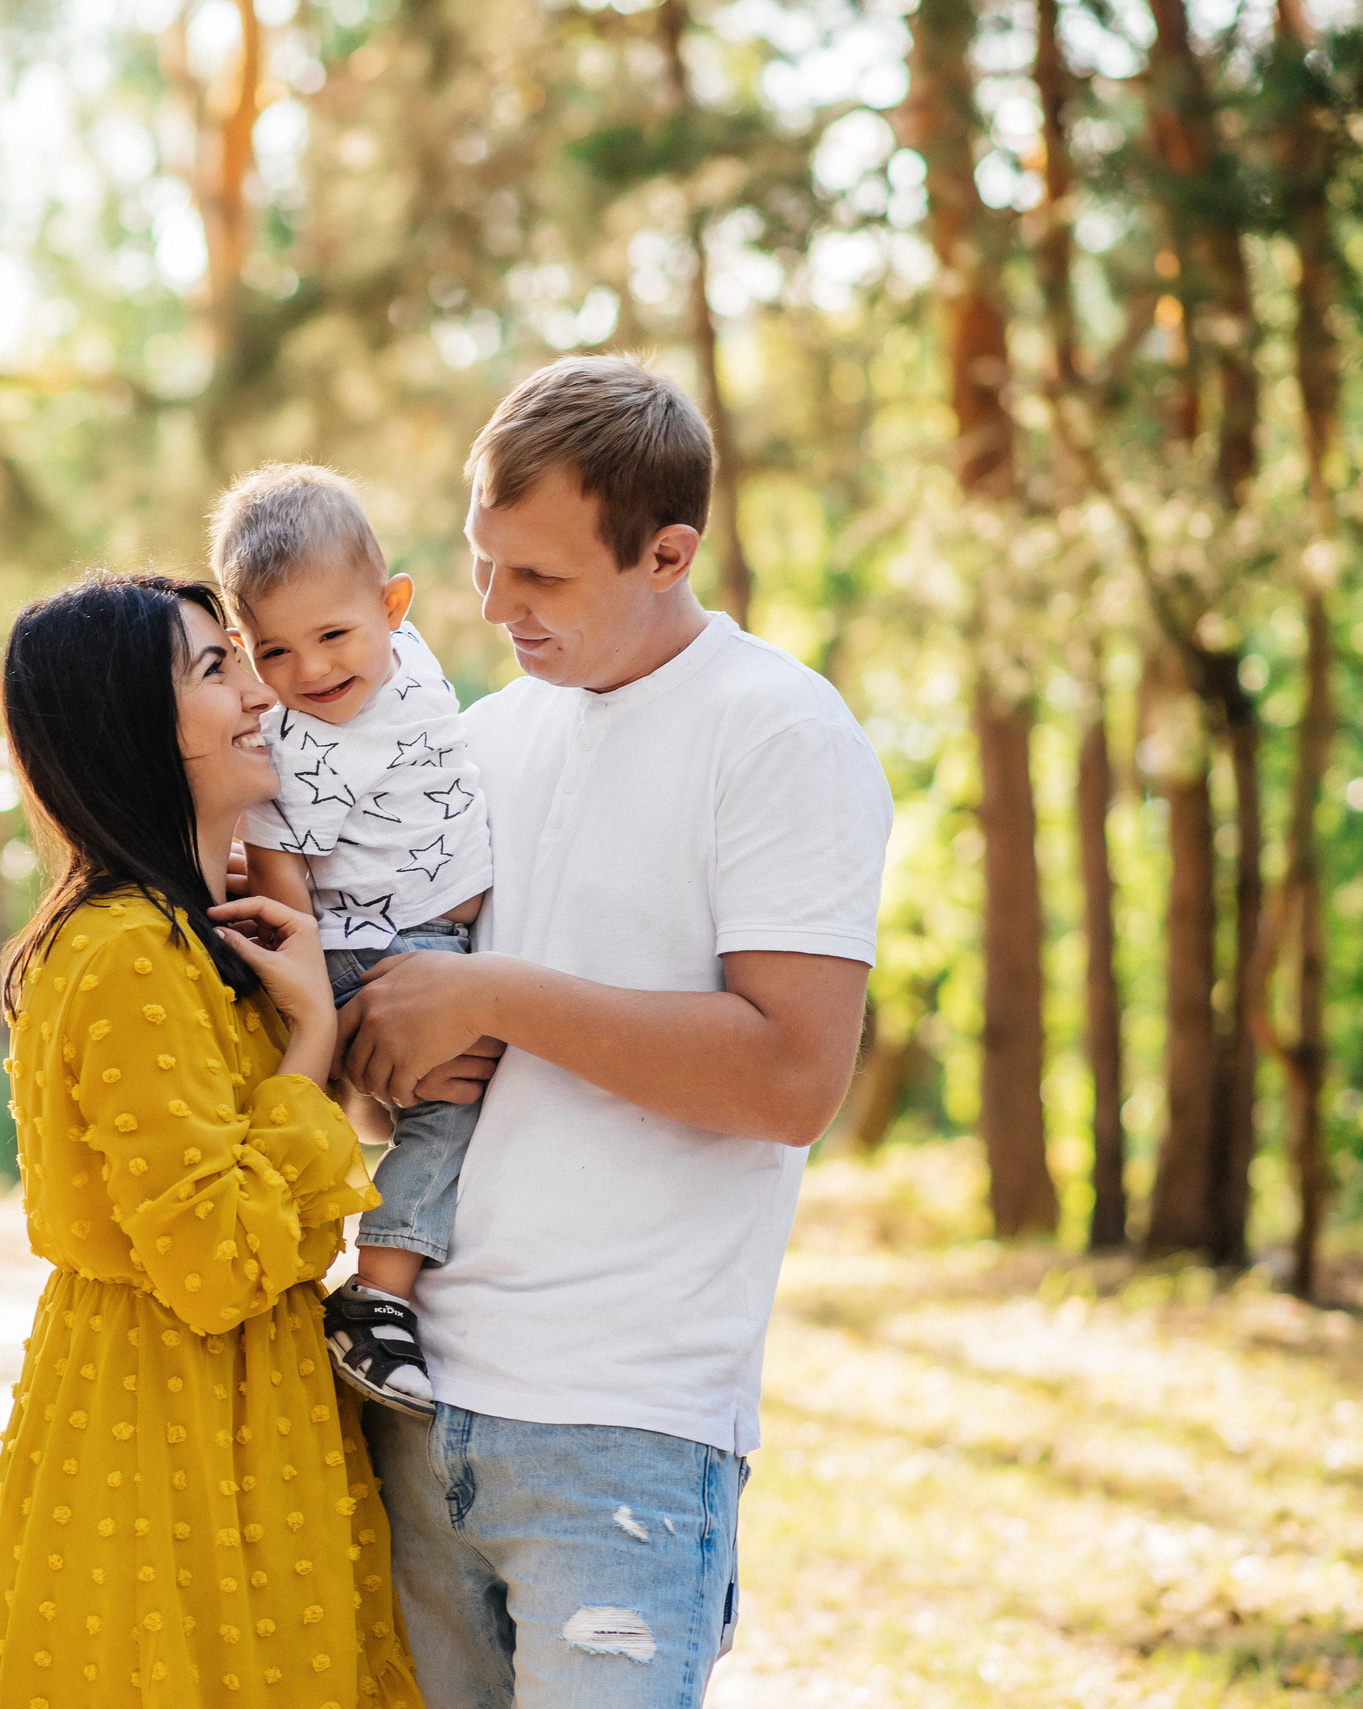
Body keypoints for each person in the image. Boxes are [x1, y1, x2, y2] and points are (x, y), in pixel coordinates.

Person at [342, 355, 895, 1708]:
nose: (496, 606)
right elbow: (401, 1083)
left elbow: (790, 1075)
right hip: (414, 1409)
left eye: (541, 578)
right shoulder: (477, 741)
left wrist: (497, 994)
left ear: (667, 553)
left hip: (625, 1429)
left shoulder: (778, 732)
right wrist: (377, 1040)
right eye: (483, 562)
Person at [0, 570, 425, 1709]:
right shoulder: (126, 949)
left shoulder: (194, 934)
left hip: (237, 1422)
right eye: (216, 667)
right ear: (133, 722)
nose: (262, 688)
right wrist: (313, 1027)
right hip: (162, 1450)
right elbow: (218, 1257)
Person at [210, 463, 492, 1418]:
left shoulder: (406, 658)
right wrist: (318, 1000)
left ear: (395, 604)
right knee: (449, 1104)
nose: (312, 672)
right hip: (365, 943)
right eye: (274, 651)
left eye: (333, 635)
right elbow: (281, 867)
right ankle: (377, 1295)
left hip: (428, 930)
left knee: (425, 1101)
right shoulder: (296, 741)